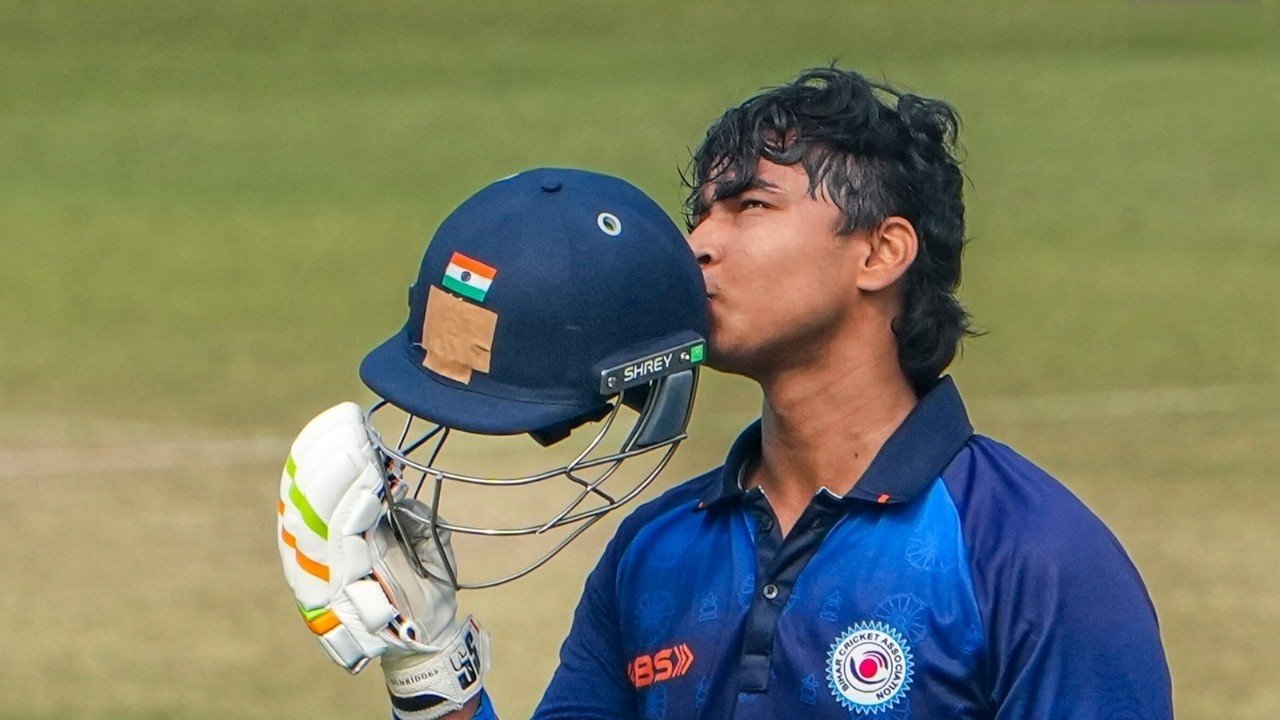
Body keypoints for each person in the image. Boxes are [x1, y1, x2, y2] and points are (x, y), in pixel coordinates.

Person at [280, 68, 1174, 720]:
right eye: (698, 214)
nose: (698, 245)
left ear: (881, 252)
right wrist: (431, 672)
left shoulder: (1029, 556)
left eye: (750, 206)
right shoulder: (654, 553)